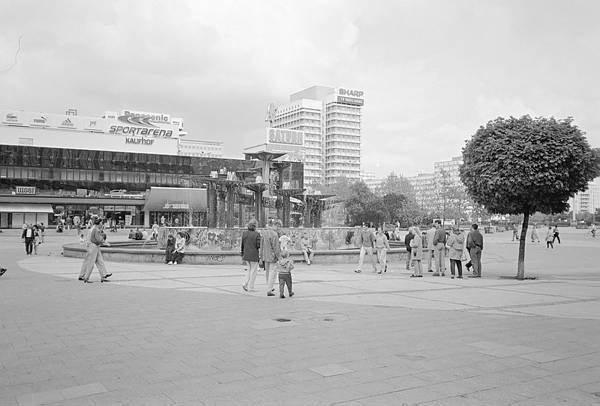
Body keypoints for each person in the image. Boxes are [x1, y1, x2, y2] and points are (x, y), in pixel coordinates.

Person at [80, 218, 111, 283]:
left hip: (94, 246)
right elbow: (95, 239)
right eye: (101, 223)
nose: (102, 224)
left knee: (100, 261)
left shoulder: (94, 229)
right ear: (99, 223)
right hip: (92, 246)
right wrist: (103, 242)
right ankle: (85, 277)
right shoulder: (95, 230)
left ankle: (104, 275)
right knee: (90, 263)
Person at [260, 220, 281, 296]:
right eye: (279, 226)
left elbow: (261, 245)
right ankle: (269, 289)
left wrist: (261, 256)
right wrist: (279, 257)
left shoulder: (264, 233)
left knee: (267, 272)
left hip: (265, 255)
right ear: (275, 225)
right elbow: (276, 248)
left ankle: (269, 286)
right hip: (272, 256)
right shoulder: (274, 234)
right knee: (273, 272)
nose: (279, 228)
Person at [241, 219, 261, 292]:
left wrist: (242, 253)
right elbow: (258, 245)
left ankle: (245, 283)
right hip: (254, 255)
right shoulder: (257, 234)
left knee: (248, 270)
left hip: (246, 254)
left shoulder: (244, 233)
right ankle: (251, 287)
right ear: (255, 226)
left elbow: (242, 244)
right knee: (253, 271)